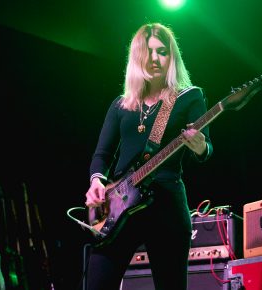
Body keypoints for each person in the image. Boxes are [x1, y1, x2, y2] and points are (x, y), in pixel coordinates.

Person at [84, 22, 213, 290]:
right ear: (136, 57)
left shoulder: (189, 97)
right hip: (120, 206)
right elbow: (102, 154)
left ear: (171, 57)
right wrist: (97, 182)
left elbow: (206, 150)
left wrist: (200, 145)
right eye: (148, 51)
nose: (155, 58)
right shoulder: (121, 104)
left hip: (166, 204)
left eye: (162, 51)